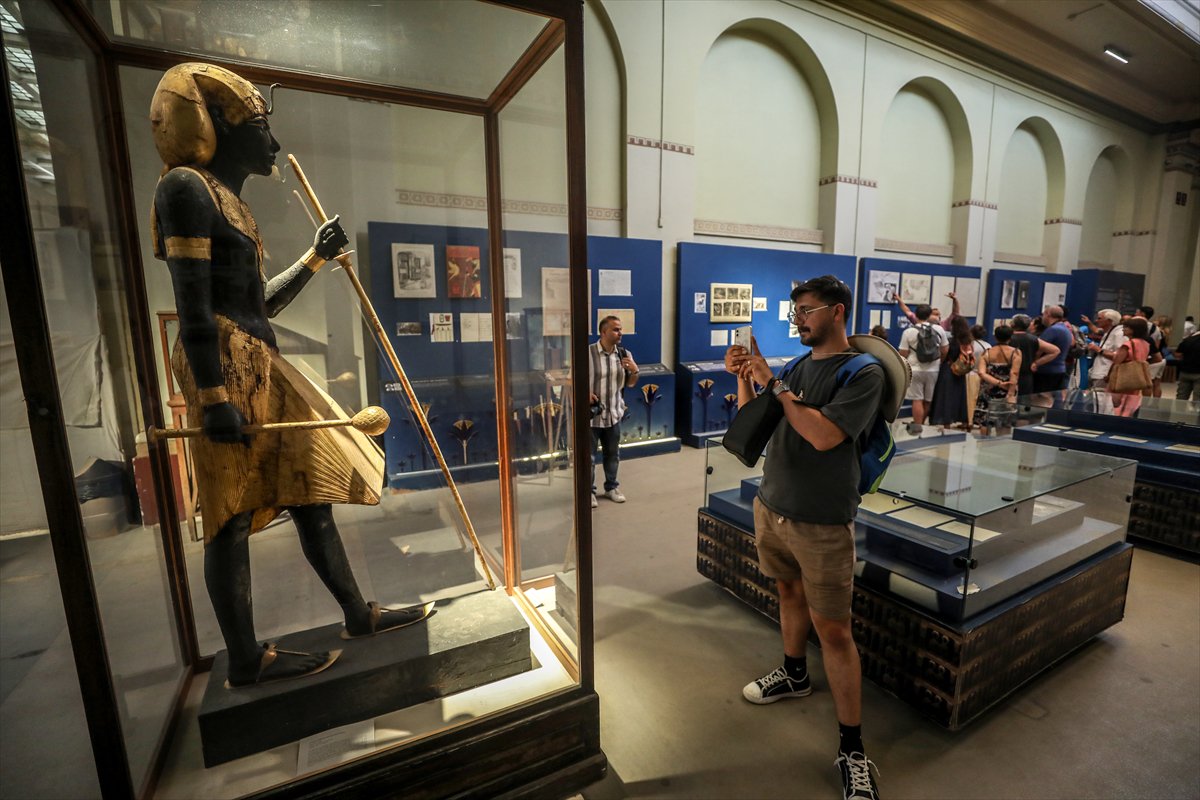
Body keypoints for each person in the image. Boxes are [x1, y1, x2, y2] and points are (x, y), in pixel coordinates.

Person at [150, 63, 430, 687]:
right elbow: (194, 311)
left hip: (258, 358)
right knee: (228, 517)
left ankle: (357, 615)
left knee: (310, 493)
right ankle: (245, 659)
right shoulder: (186, 190)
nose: (273, 144)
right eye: (262, 129)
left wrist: (315, 258)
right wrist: (214, 398)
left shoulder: (232, 204)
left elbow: (259, 305)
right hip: (224, 366)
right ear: (219, 126)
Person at [725, 275, 884, 800]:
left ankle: (852, 749)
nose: (799, 320)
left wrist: (776, 385)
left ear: (837, 312)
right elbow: (757, 420)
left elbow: (822, 435)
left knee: (834, 630)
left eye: (807, 311)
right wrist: (746, 377)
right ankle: (795, 674)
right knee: (787, 592)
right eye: (796, 313)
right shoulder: (796, 368)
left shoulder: (863, 373)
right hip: (773, 506)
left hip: (822, 520)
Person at [589, 315, 638, 506]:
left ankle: (611, 487)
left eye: (620, 329)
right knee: (589, 456)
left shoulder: (624, 354)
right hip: (592, 417)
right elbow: (572, 379)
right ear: (603, 332)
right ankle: (588, 491)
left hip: (614, 414)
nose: (620, 333)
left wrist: (634, 370)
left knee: (612, 454)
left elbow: (631, 384)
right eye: (616, 329)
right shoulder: (588, 353)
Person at [897, 304, 949, 435]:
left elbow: (903, 353)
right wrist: (939, 361)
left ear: (916, 315)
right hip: (933, 369)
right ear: (929, 315)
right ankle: (923, 424)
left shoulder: (909, 332)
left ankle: (917, 426)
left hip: (915, 368)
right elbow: (944, 349)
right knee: (928, 399)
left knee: (917, 399)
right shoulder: (939, 329)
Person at [927, 316, 975, 429]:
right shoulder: (968, 341)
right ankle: (964, 420)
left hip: (948, 369)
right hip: (961, 371)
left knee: (946, 396)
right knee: (960, 396)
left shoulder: (951, 341)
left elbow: (945, 353)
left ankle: (946, 421)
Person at [975, 325, 1021, 436]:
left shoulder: (987, 353)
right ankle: (1001, 444)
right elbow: (1014, 373)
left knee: (985, 421)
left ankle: (983, 443)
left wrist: (999, 383)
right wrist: (1010, 393)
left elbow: (981, 373)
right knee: (1004, 422)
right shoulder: (1015, 353)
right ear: (1010, 337)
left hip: (988, 390)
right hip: (1007, 391)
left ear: (995, 337)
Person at [1085, 309, 1127, 413]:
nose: (1096, 321)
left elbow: (1119, 356)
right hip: (1100, 372)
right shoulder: (1109, 332)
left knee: (1103, 402)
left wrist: (1098, 350)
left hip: (1105, 374)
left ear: (1109, 321)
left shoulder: (1119, 334)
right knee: (1098, 401)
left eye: (1099, 318)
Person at [1030, 305, 1073, 403]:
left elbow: (1039, 349)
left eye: (1043, 314)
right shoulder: (1065, 329)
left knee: (1040, 402)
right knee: (1053, 401)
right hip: (1060, 370)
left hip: (1046, 372)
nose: (1042, 317)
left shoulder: (1053, 330)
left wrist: (1035, 362)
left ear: (1048, 315)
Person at [1009, 315, 1058, 400]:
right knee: (1024, 402)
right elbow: (1055, 351)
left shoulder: (1008, 339)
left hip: (1009, 374)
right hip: (1026, 375)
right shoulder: (1033, 339)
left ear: (1012, 324)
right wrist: (1036, 363)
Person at [1110, 317, 1151, 417]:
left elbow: (1117, 361)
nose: (1123, 329)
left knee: (1117, 404)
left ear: (1134, 329)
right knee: (1131, 403)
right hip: (1137, 378)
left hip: (1123, 378)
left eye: (1126, 327)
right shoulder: (1146, 344)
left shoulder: (1127, 344)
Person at [895, 290, 959, 330]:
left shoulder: (944, 325)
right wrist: (899, 299)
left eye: (938, 315)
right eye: (935, 314)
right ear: (928, 315)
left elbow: (955, 313)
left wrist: (955, 300)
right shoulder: (919, 322)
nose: (937, 317)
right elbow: (907, 311)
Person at [1175, 327, 1200, 400]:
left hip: (1184, 372)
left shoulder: (1187, 340)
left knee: (1181, 397)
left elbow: (1178, 354)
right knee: (1197, 399)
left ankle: (1179, 408)